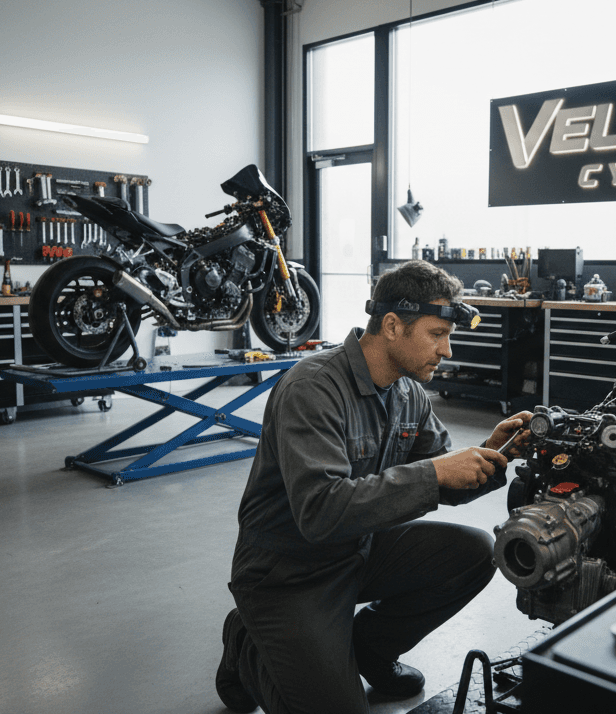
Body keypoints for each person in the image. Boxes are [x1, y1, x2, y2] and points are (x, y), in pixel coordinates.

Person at [216, 260, 530, 714]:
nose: (446, 350)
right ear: (391, 326)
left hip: (357, 550)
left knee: (477, 551)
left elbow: (442, 478)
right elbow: (321, 511)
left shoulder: (409, 393)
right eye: (437, 334)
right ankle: (246, 643)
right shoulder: (313, 387)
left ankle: (369, 650)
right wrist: (438, 473)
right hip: (288, 570)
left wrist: (493, 453)